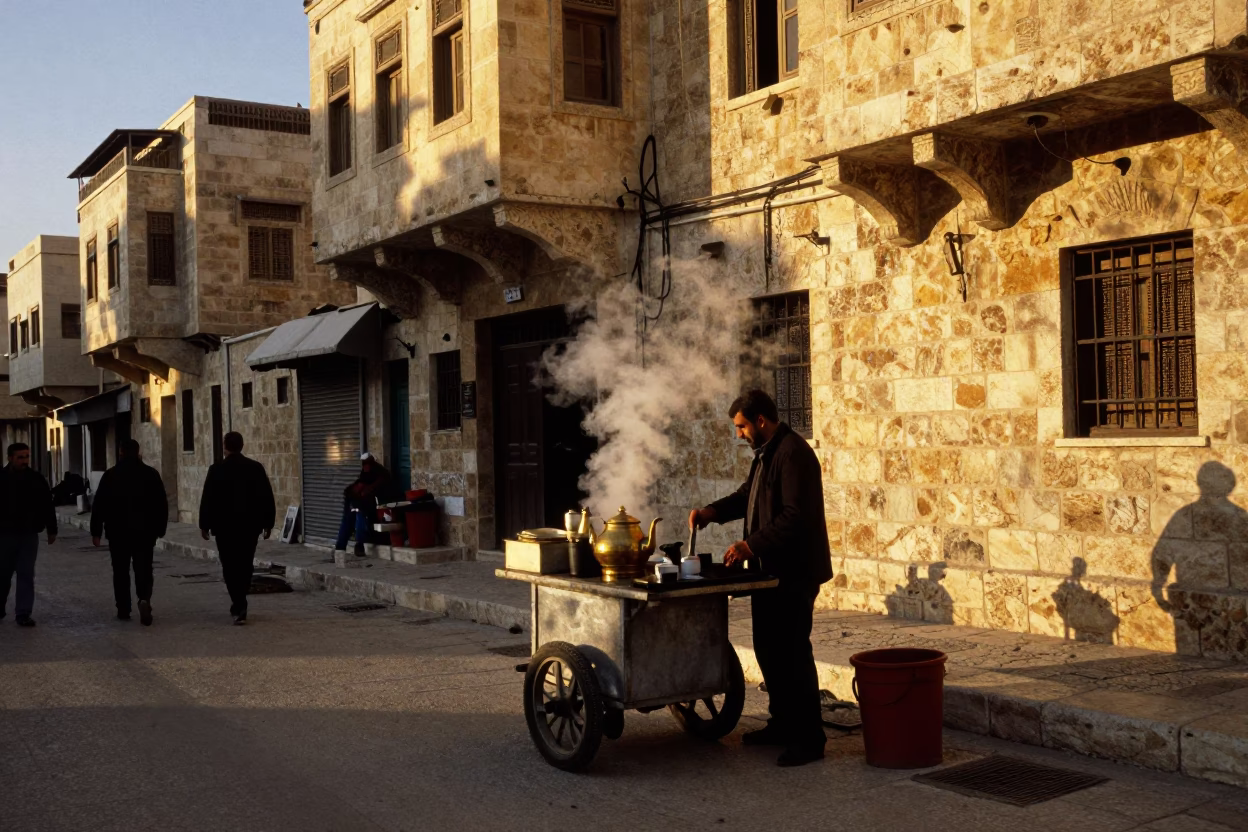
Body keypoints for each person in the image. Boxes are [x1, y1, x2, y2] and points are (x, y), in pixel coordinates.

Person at [689, 390, 832, 767]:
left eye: (741, 427)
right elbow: (746, 496)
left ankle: (808, 739)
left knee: (793, 655)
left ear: (761, 421)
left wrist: (750, 545)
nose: (738, 434)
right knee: (768, 649)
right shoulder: (766, 453)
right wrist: (710, 512)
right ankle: (782, 724)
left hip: (794, 572)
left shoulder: (794, 454)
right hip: (769, 572)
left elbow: (794, 516)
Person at [198, 431, 276, 625]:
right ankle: (240, 603)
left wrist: (204, 524)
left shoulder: (216, 469)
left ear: (225, 446)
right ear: (241, 446)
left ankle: (238, 603)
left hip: (224, 528)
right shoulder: (255, 468)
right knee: (245, 564)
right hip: (249, 527)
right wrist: (268, 523)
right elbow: (266, 496)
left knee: (230, 565)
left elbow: (208, 498)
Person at [90, 439, 168, 625]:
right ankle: (144, 598)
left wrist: (96, 531)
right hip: (144, 532)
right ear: (138, 452)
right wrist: (160, 528)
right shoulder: (150, 474)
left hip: (118, 532)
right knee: (144, 567)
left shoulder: (110, 475)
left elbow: (99, 505)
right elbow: (161, 504)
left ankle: (123, 608)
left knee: (120, 570)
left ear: (121, 452)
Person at [0, 442, 57, 627]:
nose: (24, 461)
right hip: (4, 535)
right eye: (20, 457)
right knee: (3, 574)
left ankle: (23, 613)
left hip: (28, 535)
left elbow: (47, 505)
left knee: (25, 573)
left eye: (26, 456)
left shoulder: (36, 479)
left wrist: (52, 529)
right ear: (10, 458)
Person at [334, 453, 393, 556]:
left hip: (375, 509)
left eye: (367, 464)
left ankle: (359, 544)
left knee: (359, 514)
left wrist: (363, 493)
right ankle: (340, 548)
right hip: (363, 505)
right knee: (348, 517)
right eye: (363, 464)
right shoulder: (365, 475)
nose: (365, 466)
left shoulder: (381, 475)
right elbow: (357, 488)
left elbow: (373, 491)